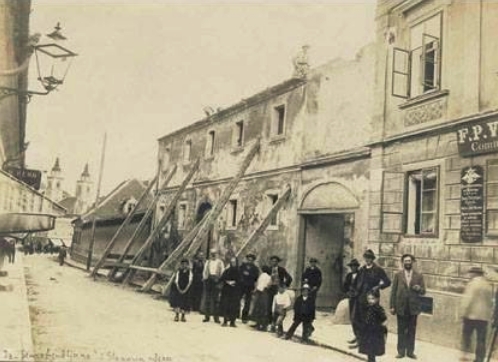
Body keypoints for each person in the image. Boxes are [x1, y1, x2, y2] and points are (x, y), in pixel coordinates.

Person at [351, 249, 391, 350]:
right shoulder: (362, 269)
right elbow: (356, 282)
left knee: (370, 320)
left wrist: (378, 286)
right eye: (366, 258)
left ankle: (369, 342)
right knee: (358, 320)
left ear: (372, 259)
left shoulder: (378, 270)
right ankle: (360, 341)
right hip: (361, 298)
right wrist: (355, 292)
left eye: (369, 258)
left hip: (372, 299)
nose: (367, 260)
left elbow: (387, 281)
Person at [390, 254, 426, 359]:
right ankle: (401, 351)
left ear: (412, 262)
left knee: (411, 330)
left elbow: (423, 291)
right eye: (405, 261)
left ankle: (410, 352)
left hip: (413, 308)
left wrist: (419, 288)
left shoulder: (419, 275)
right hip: (401, 307)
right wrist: (392, 306)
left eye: (409, 261)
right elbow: (393, 291)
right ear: (403, 263)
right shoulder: (398, 275)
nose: (408, 263)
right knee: (401, 330)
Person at [459, 267, 493, 362]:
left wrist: (462, 313)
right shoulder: (488, 285)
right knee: (481, 340)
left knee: (467, 337)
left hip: (471, 315)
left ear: (474, 274)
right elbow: (490, 302)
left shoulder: (472, 284)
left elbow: (467, 300)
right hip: (484, 317)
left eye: (470, 273)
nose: (469, 275)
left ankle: (465, 357)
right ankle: (479, 359)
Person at [359, 290, 387, 362]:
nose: (370, 301)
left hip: (375, 333)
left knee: (372, 350)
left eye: (372, 299)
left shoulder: (379, 309)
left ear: (377, 299)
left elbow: (384, 320)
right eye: (369, 299)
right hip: (367, 332)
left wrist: (382, 330)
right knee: (368, 350)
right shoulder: (367, 308)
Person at [267, 256, 293, 328]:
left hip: (278, 288)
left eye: (275, 261)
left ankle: (277, 322)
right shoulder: (269, 269)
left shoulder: (281, 269)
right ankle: (269, 322)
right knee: (269, 304)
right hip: (270, 289)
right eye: (272, 261)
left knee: (278, 305)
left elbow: (289, 278)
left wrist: (284, 285)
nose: (274, 263)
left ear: (278, 262)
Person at [202, 249, 224, 323]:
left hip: (216, 281)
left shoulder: (220, 262)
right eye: (212, 254)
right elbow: (205, 271)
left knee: (216, 300)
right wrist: (205, 279)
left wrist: (219, 281)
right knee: (207, 299)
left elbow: (222, 272)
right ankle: (207, 317)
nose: (213, 255)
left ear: (217, 254)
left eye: (214, 253)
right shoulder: (208, 262)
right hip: (209, 281)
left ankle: (216, 318)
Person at [219, 257, 241, 327]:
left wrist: (235, 282)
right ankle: (225, 321)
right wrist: (227, 281)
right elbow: (222, 278)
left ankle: (232, 322)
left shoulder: (239, 271)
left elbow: (241, 280)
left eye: (234, 262)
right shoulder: (227, 270)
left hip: (235, 291)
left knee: (234, 306)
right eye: (232, 262)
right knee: (226, 305)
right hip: (227, 291)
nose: (233, 263)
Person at [343, 258, 360, 345]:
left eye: (355, 266)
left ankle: (359, 339)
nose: (353, 268)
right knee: (352, 318)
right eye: (352, 266)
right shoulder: (349, 276)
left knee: (357, 318)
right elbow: (345, 286)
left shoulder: (361, 275)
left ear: (357, 267)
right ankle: (356, 336)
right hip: (351, 299)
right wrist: (348, 293)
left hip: (358, 300)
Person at [239, 253, 260, 323]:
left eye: (251, 260)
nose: (249, 261)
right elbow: (239, 273)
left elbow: (256, 277)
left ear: (253, 261)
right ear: (247, 260)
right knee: (237, 299)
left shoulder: (255, 268)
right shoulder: (242, 266)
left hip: (249, 286)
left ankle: (244, 317)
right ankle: (235, 314)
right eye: (248, 260)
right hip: (241, 285)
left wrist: (249, 275)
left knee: (247, 302)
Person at [251, 265, 272, 331]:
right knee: (263, 308)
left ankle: (258, 323)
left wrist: (256, 290)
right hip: (265, 292)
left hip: (260, 291)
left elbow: (259, 284)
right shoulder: (269, 277)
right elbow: (269, 285)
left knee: (259, 308)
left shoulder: (262, 275)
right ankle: (263, 325)